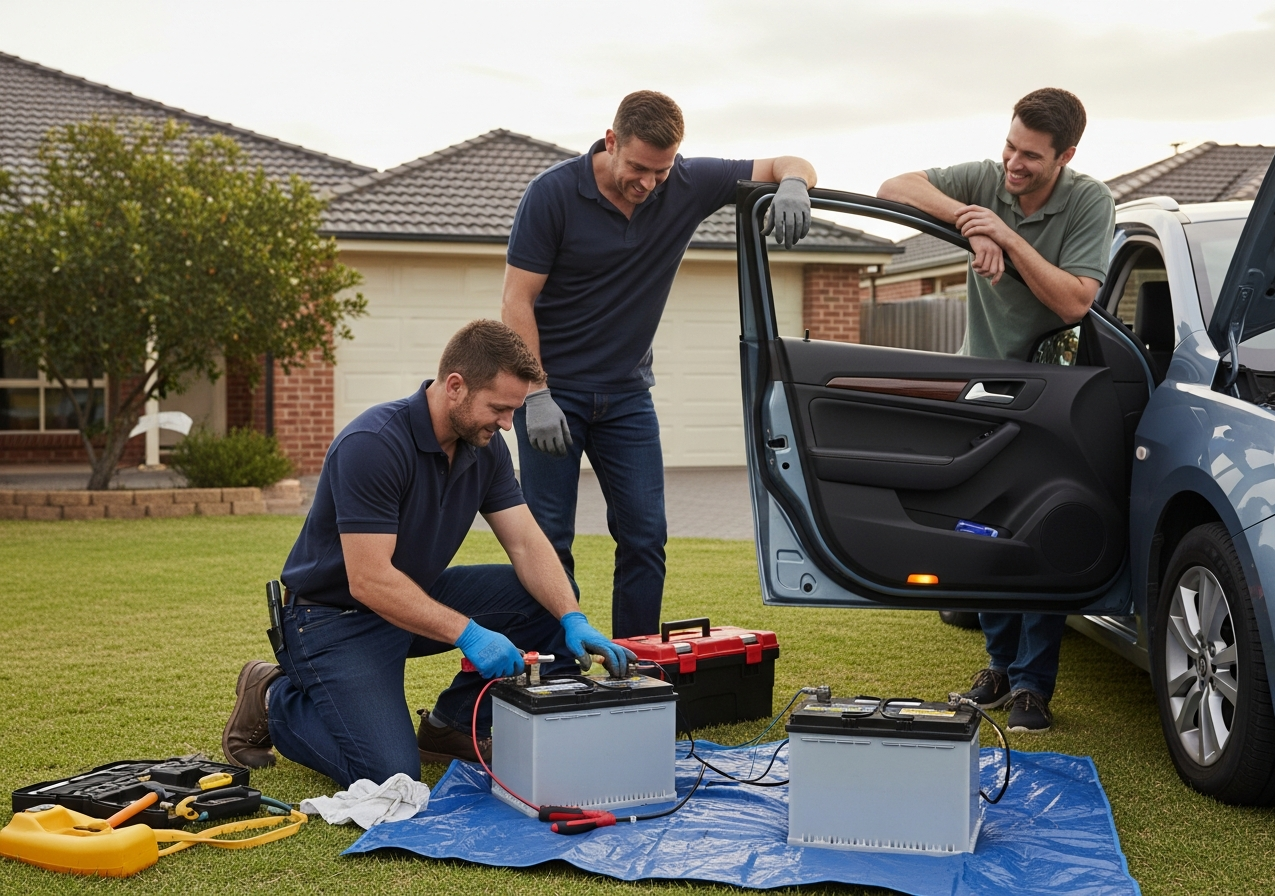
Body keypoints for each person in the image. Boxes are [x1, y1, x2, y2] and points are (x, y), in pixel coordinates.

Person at [222, 320, 633, 786]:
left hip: (409, 596)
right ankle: (273, 695)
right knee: (389, 774)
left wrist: (572, 618)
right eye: (499, 408)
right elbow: (370, 580)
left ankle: (452, 725)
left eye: (513, 411)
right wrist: (469, 634)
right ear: (455, 386)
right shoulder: (373, 445)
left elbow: (525, 542)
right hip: (331, 619)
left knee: (549, 597)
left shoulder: (486, 447)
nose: (506, 423)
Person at [502, 89, 817, 639]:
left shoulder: (688, 184)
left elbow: (790, 161)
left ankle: (637, 663)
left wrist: (793, 184)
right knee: (549, 537)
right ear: (610, 141)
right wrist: (535, 392)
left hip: (626, 398)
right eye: (639, 168)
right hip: (555, 396)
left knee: (646, 536)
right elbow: (516, 300)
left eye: (661, 171)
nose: (648, 183)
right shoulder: (552, 194)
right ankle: (553, 671)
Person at [877, 88, 1115, 733]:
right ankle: (1001, 666)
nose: (1013, 162)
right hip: (979, 388)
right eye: (1010, 145)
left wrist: (1006, 238)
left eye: (1031, 156)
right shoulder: (987, 179)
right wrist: (971, 218)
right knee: (980, 531)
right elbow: (893, 186)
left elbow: (1073, 302)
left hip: (1055, 394)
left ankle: (1034, 685)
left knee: (1039, 536)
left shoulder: (1090, 201)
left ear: (1065, 156)